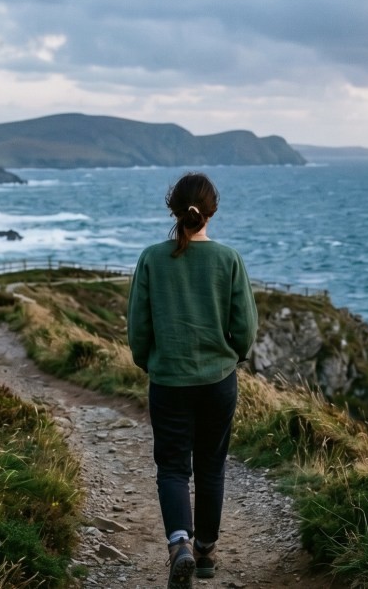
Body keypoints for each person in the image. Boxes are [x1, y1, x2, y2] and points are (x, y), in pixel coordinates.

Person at [127, 172, 258, 589]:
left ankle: (178, 544)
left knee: (171, 466)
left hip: (168, 380)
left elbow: (138, 327)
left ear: (173, 209)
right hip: (218, 380)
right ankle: (204, 554)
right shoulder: (229, 259)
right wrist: (233, 356)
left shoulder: (151, 258)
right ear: (212, 211)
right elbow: (246, 328)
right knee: (211, 466)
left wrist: (149, 362)